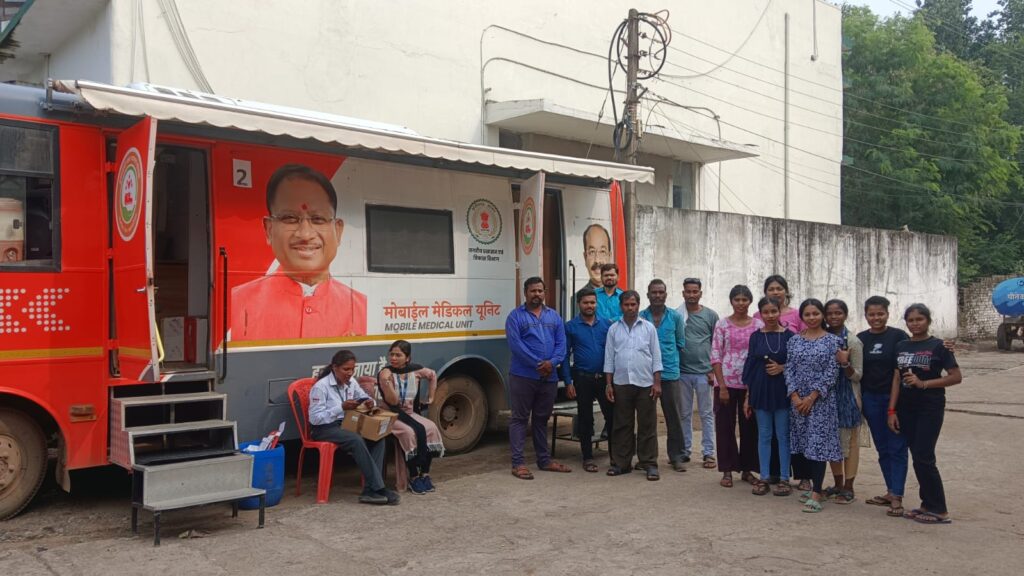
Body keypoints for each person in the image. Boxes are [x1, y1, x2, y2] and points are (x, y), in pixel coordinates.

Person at [231, 164, 367, 341]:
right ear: (269, 229)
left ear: (338, 230)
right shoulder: (236, 302)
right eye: (290, 218)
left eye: (318, 219)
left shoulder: (362, 307)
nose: (305, 234)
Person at [888, 303, 962, 525]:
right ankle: (927, 504)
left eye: (919, 319)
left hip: (929, 407)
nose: (915, 324)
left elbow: (955, 376)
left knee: (924, 456)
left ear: (928, 321)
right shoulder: (901, 346)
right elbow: (896, 379)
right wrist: (891, 410)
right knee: (917, 457)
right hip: (906, 408)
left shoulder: (939, 346)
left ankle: (939, 509)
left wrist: (923, 384)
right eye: (910, 320)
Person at [308, 349, 400, 505]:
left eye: (352, 369)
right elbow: (315, 419)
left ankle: (370, 490)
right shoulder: (321, 387)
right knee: (355, 440)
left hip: (345, 424)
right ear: (335, 368)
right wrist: (340, 408)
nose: (350, 373)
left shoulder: (351, 382)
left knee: (378, 437)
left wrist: (369, 402)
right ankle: (379, 488)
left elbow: (364, 397)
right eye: (346, 369)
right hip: (324, 428)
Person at [505, 276, 570, 479]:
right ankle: (518, 464)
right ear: (525, 293)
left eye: (540, 291)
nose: (537, 294)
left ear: (545, 292)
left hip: (549, 377)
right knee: (520, 419)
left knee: (542, 419)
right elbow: (516, 345)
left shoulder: (554, 316)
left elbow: (561, 344)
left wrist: (552, 362)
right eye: (533, 291)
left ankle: (544, 460)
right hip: (523, 376)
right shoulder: (515, 317)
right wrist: (538, 363)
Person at [785, 299, 844, 513]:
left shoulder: (833, 341)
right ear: (802, 317)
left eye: (815, 313)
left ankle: (818, 491)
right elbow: (789, 368)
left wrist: (812, 397)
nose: (811, 318)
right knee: (804, 443)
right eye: (807, 314)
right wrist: (794, 396)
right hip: (797, 402)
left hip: (821, 402)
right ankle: (811, 487)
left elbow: (831, 373)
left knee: (818, 444)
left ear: (822, 316)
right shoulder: (794, 341)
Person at [857, 295, 910, 517]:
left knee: (897, 447)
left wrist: (894, 407)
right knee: (883, 448)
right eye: (871, 314)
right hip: (871, 399)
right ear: (866, 315)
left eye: (880, 314)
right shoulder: (860, 339)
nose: (876, 318)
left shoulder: (899, 337)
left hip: (895, 400)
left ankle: (897, 496)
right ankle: (890, 491)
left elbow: (905, 369)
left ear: (888, 314)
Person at [604, 290, 663, 480]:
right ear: (621, 306)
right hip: (621, 383)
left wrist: (657, 383)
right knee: (622, 424)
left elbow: (656, 357)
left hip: (645, 383)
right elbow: (609, 358)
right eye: (626, 305)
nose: (630, 308)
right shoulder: (614, 329)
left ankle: (649, 463)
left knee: (647, 424)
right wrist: (609, 384)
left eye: (633, 304)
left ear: (638, 305)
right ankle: (621, 463)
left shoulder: (648, 328)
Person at [377, 340, 445, 495]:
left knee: (431, 428)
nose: (393, 358)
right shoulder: (385, 373)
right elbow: (393, 401)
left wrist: (431, 397)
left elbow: (432, 375)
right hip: (391, 414)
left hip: (409, 413)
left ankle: (425, 474)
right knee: (409, 433)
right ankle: (413, 476)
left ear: (407, 358)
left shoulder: (415, 370)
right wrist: (386, 382)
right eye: (391, 354)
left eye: (398, 355)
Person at [711, 285, 763, 488]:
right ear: (731, 301)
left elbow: (759, 357)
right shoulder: (722, 324)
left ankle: (748, 469)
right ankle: (727, 469)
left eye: (744, 299)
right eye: (737, 299)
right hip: (726, 383)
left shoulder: (758, 325)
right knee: (725, 427)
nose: (741, 303)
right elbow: (716, 354)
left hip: (750, 384)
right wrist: (722, 386)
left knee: (750, 428)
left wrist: (752, 388)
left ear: (750, 301)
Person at [742, 297, 795, 497]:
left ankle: (784, 478)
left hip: (783, 391)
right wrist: (748, 396)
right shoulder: (755, 337)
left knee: (783, 436)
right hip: (760, 390)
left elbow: (798, 364)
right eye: (766, 312)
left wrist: (783, 368)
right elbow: (750, 365)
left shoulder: (790, 336)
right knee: (764, 435)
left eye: (774, 311)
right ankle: (764, 477)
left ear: (780, 312)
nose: (770, 316)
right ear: (760, 314)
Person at [558, 287, 613, 473]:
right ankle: (588, 457)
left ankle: (616, 457)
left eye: (592, 302)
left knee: (612, 417)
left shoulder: (607, 325)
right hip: (582, 379)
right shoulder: (570, 327)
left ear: (596, 303)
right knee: (585, 419)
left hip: (604, 379)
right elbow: (565, 356)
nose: (590, 306)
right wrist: (568, 381)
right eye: (586, 302)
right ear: (578, 304)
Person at [640, 279, 687, 471]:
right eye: (654, 292)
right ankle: (645, 458)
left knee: (673, 417)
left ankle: (677, 457)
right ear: (648, 295)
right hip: (645, 375)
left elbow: (680, 343)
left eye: (661, 292)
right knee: (646, 419)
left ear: (666, 295)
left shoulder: (675, 317)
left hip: (670, 374)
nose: (657, 295)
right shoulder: (641, 317)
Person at [824, 299, 864, 504]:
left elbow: (857, 376)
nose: (834, 317)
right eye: (830, 313)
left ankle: (849, 486)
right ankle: (837, 483)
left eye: (838, 313)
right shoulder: (823, 338)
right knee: (832, 443)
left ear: (845, 315)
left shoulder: (853, 342)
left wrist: (844, 363)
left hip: (847, 398)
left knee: (850, 445)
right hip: (826, 398)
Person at [676, 278, 719, 469]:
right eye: (688, 291)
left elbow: (717, 344)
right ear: (683, 293)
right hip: (682, 372)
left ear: (700, 293)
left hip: (704, 373)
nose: (691, 295)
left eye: (695, 291)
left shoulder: (710, 315)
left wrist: (713, 371)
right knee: (684, 413)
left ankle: (708, 453)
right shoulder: (677, 315)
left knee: (706, 414)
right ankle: (685, 450)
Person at [580, 224, 612, 297]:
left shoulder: (621, 299)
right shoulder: (574, 301)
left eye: (602, 252)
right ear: (585, 257)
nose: (597, 260)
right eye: (592, 252)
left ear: (609, 256)